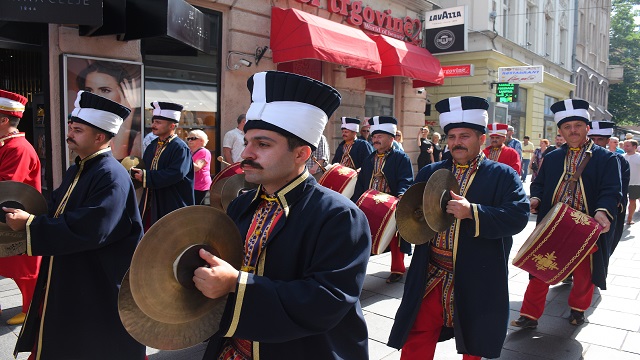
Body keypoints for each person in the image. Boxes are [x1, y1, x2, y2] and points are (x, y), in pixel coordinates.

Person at [193, 71, 371, 359]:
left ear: (301, 154)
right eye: (247, 141)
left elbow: (327, 301)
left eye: (262, 145)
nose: (244, 155)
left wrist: (236, 285)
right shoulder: (241, 205)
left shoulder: (340, 216)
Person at [3, 91, 145, 359]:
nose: (70, 134)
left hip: (97, 279)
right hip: (74, 270)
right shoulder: (79, 168)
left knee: (92, 344)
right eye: (70, 127)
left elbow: (92, 229)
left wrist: (32, 225)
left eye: (77, 130)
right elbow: (56, 208)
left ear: (100, 137)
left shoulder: (111, 175)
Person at [388, 96, 529, 359]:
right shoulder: (430, 171)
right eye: (451, 136)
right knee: (417, 333)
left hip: (477, 273)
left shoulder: (503, 175)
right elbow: (413, 213)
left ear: (482, 140)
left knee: (474, 339)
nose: (456, 142)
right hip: (432, 271)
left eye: (464, 136)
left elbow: (518, 216)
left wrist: (472, 212)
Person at [512, 99, 621, 329]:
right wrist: (535, 198)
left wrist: (603, 212)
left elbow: (611, 190)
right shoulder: (552, 157)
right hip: (554, 223)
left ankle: (578, 310)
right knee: (540, 267)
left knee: (584, 272)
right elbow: (538, 184)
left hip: (586, 224)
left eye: (577, 126)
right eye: (567, 127)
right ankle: (530, 315)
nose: (572, 131)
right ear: (560, 131)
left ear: (587, 128)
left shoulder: (606, 158)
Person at [351, 116, 413, 284]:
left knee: (395, 238)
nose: (375, 139)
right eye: (374, 136)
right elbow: (362, 181)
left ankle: (397, 269)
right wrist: (356, 202)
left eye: (380, 136)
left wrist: (401, 195)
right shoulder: (369, 158)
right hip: (370, 202)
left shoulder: (401, 158)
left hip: (391, 203)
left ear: (391, 138)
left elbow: (406, 180)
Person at [0, 89, 42, 326]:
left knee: (25, 271)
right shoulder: (6, 144)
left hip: (16, 219)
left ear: (5, 120)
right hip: (6, 217)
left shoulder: (18, 148)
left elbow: (7, 184)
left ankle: (31, 311)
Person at [131, 101, 194, 230]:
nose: (153, 125)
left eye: (158, 122)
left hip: (171, 202)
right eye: (153, 121)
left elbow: (176, 173)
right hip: (152, 202)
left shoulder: (180, 148)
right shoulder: (152, 145)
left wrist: (146, 176)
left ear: (172, 126)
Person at [76, 61, 141, 160]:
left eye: (105, 90)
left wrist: (127, 118)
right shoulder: (79, 128)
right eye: (89, 90)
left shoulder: (138, 139)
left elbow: (115, 165)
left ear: (125, 93)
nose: (95, 97)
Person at [588, 121, 629, 253]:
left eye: (600, 139)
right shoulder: (578, 158)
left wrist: (606, 208)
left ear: (607, 140)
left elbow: (620, 190)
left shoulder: (618, 160)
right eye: (592, 139)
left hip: (604, 215)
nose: (596, 142)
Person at [187, 129, 212, 205]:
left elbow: (197, 167)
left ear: (201, 140)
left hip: (201, 186)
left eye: (193, 138)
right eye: (188, 139)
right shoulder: (190, 152)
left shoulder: (204, 152)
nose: (190, 140)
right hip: (193, 185)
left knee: (198, 210)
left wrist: (185, 158)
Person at [624, 139, 640, 225]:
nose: (625, 147)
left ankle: (629, 219)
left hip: (635, 183)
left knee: (632, 201)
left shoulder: (638, 157)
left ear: (634, 147)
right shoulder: (621, 156)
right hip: (623, 183)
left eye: (627, 145)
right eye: (624, 145)